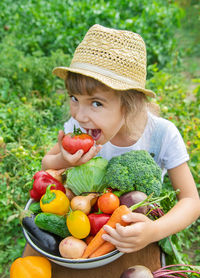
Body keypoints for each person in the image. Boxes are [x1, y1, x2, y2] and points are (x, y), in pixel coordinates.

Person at [42, 24, 200, 253]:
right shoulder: (78, 128)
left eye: (96, 103)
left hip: (138, 234)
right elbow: (46, 165)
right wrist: (65, 160)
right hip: (86, 230)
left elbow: (192, 202)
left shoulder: (162, 134)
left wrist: (154, 231)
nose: (79, 115)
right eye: (74, 98)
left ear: (129, 105)